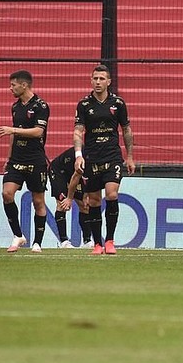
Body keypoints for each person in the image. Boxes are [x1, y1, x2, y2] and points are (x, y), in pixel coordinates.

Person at [73, 64, 135, 255]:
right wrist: (78, 155)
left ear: (109, 81)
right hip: (92, 157)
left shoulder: (118, 103)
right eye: (95, 78)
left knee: (112, 194)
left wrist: (130, 156)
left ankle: (110, 240)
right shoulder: (84, 105)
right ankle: (97, 243)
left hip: (112, 156)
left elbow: (126, 130)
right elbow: (78, 131)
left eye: (101, 79)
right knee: (93, 201)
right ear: (91, 81)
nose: (98, 82)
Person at [0, 70, 50, 253]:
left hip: (35, 160)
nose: (11, 88)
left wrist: (12, 130)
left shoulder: (41, 106)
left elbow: (38, 132)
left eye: (13, 85)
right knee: (7, 194)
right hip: (16, 159)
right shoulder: (15, 107)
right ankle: (18, 235)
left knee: (38, 201)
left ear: (24, 85)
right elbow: (14, 134)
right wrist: (9, 157)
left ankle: (37, 243)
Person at [48, 147, 92, 248]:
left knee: (85, 206)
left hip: (75, 173)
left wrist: (86, 194)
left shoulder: (97, 158)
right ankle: (64, 241)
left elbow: (89, 179)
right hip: (59, 171)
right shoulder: (85, 156)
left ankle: (87, 241)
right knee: (63, 204)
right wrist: (69, 198)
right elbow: (75, 178)